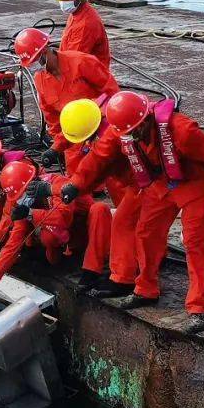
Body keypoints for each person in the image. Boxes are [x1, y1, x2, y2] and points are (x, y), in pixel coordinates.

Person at [78, 91, 204, 334]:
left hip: (194, 185)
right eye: (128, 134)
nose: (132, 137)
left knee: (195, 243)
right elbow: (97, 158)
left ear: (145, 119)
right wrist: (75, 184)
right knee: (146, 233)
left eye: (135, 131)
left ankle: (199, 308)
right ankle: (145, 289)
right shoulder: (124, 131)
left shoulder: (183, 131)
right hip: (161, 184)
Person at [60, 99, 144, 295]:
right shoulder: (107, 131)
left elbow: (95, 161)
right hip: (139, 180)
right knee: (133, 223)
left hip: (144, 182)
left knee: (124, 222)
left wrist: (74, 185)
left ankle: (125, 279)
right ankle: (136, 269)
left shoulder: (109, 136)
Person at [14, 28, 120, 173]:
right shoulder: (41, 80)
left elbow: (112, 93)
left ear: (45, 51)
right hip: (73, 141)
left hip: (101, 131)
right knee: (76, 184)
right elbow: (52, 118)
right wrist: (57, 147)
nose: (34, 67)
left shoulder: (81, 62)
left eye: (34, 61)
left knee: (113, 177)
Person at [0, 161, 74, 282]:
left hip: (77, 229)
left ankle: (59, 259)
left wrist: (30, 214)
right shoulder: (21, 202)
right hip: (50, 229)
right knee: (28, 236)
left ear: (34, 181)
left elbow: (63, 218)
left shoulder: (57, 185)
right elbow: (14, 240)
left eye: (24, 192)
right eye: (19, 195)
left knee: (49, 237)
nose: (22, 198)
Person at [54, 0, 110, 67]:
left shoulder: (86, 24)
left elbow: (72, 62)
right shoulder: (77, 13)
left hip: (90, 76)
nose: (63, 2)